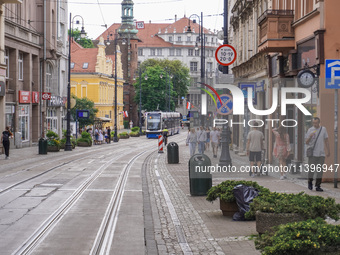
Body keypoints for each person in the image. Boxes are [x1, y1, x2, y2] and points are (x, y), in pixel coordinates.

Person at [305, 117, 330, 192]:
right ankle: (310, 183)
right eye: (313, 123)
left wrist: (328, 150)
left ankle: (318, 185)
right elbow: (306, 142)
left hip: (321, 154)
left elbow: (326, 140)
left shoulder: (323, 129)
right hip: (312, 154)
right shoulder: (310, 130)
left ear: (319, 122)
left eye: (316, 123)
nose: (315, 124)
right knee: (311, 170)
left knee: (320, 171)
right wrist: (310, 137)